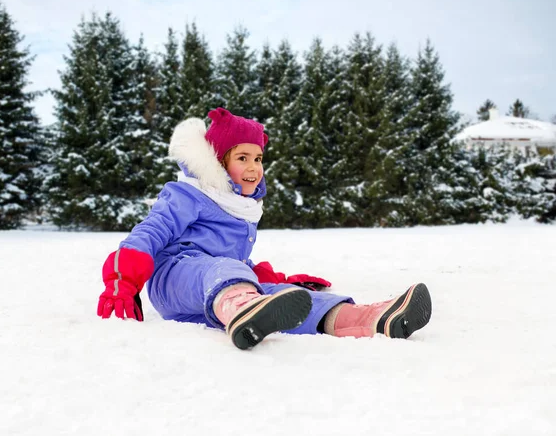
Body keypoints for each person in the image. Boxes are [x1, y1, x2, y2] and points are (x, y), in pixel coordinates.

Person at [97, 108, 432, 350]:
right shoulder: (189, 193)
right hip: (174, 278)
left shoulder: (240, 210)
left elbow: (234, 262)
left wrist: (278, 283)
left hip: (218, 286)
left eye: (258, 159)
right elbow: (149, 232)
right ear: (219, 160)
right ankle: (243, 307)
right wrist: (122, 282)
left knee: (290, 299)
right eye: (242, 158)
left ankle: (364, 318)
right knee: (224, 270)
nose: (253, 167)